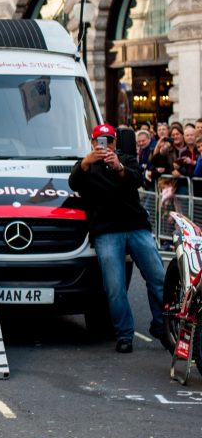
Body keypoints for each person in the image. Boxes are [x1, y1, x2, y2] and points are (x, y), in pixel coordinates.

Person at [69, 124, 167, 353]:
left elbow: (137, 179)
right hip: (106, 231)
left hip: (135, 226)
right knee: (114, 287)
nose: (104, 145)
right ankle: (124, 334)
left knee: (158, 277)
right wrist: (86, 162)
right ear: (92, 142)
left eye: (109, 141)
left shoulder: (126, 159)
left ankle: (163, 327)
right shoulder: (85, 164)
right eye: (99, 141)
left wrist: (119, 166)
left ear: (115, 143)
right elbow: (73, 182)